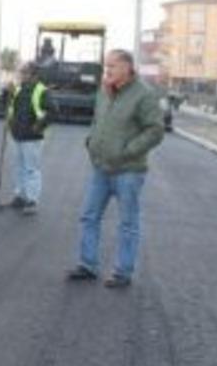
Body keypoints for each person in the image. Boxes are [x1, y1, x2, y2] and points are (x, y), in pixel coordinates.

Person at [67, 49, 165, 288]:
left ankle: (123, 271)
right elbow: (97, 120)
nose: (107, 70)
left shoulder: (143, 95)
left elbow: (155, 130)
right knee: (89, 216)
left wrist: (128, 151)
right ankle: (87, 265)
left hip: (129, 171)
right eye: (105, 66)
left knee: (127, 223)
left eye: (112, 66)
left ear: (127, 68)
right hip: (101, 167)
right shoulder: (104, 91)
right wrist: (91, 141)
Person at [5, 61, 53, 216]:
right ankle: (20, 196)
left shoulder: (42, 91)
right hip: (18, 134)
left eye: (24, 72)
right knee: (19, 167)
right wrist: (7, 94)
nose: (21, 75)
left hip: (32, 137)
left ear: (33, 75)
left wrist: (37, 128)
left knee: (31, 169)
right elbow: (8, 106)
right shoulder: (19, 89)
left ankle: (32, 200)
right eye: (21, 72)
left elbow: (51, 112)